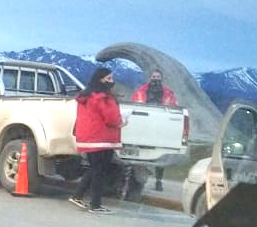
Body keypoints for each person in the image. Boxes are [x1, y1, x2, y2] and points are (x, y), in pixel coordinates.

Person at [70, 67, 127, 214]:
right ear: (100, 79)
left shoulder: (86, 95)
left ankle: (77, 195)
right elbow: (112, 119)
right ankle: (95, 204)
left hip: (88, 138)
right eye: (108, 79)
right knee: (99, 172)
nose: (111, 81)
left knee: (95, 169)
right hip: (102, 138)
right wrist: (123, 121)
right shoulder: (103, 97)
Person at [131, 69, 178, 191]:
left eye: (158, 76)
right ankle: (137, 179)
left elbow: (173, 107)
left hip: (160, 126)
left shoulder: (168, 93)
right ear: (150, 77)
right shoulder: (141, 91)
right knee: (140, 152)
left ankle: (158, 180)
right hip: (143, 125)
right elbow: (134, 105)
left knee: (159, 154)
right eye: (153, 76)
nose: (155, 78)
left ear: (161, 78)